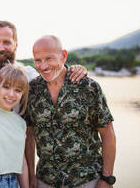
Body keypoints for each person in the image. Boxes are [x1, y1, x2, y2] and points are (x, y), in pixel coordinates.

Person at [23, 35, 116, 188]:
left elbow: (108, 134)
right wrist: (31, 175)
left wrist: (107, 178)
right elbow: (29, 136)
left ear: (63, 56)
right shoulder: (32, 90)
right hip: (45, 180)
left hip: (87, 180)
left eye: (49, 58)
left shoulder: (88, 87)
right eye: (38, 60)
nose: (43, 66)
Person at [0, 21, 88, 106]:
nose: (1, 48)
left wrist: (75, 70)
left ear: (16, 45)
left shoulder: (27, 74)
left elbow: (53, 78)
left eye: (6, 42)